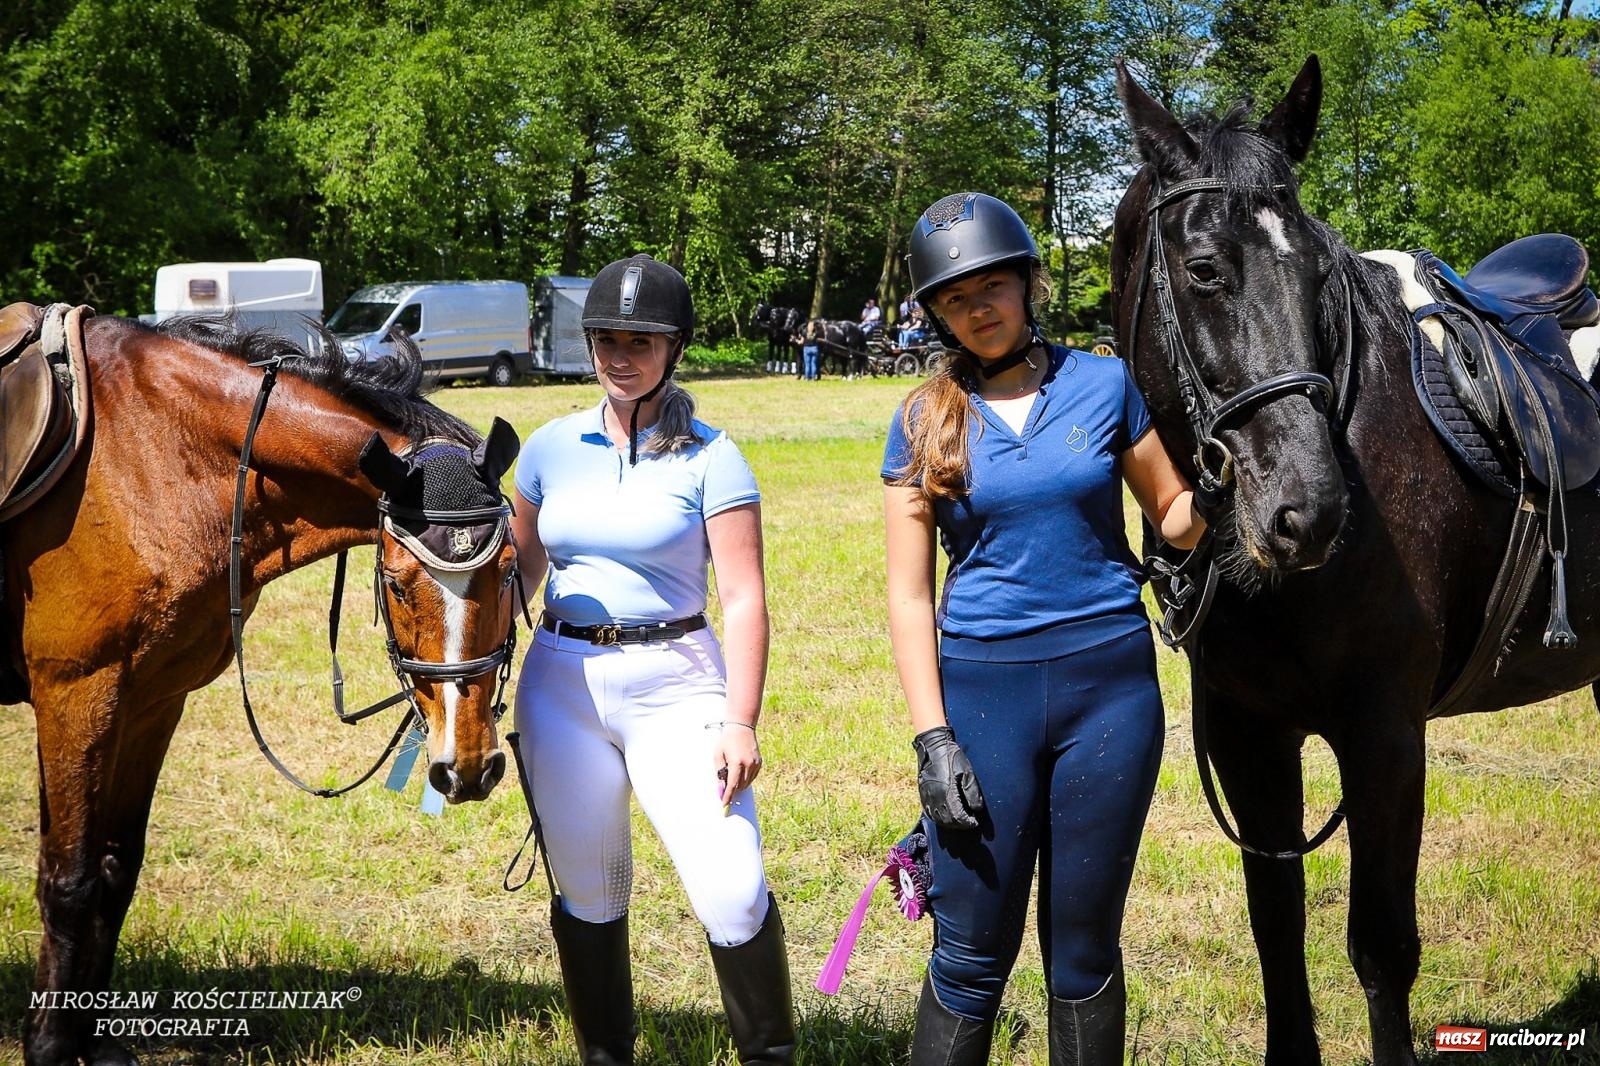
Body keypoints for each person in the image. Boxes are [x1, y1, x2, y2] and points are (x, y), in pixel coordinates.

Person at [881, 193, 1218, 1065]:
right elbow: (910, 594)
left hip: (1110, 690)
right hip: (983, 697)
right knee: (969, 954)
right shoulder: (923, 418)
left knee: (1084, 950)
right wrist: (932, 739)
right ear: (938, 314)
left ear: (1029, 283)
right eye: (955, 298)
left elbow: (1170, 510)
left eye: (992, 285)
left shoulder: (1104, 384)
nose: (978, 308)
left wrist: (1213, 496)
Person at [510, 253, 795, 1066]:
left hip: (679, 684)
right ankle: (607, 1054)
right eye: (606, 337)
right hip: (561, 686)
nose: (620, 354)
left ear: (676, 348)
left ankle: (769, 1056)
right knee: (589, 893)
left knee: (733, 890)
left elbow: (744, 597)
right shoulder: (548, 448)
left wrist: (739, 718)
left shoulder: (713, 457)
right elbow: (521, 573)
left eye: (642, 339)